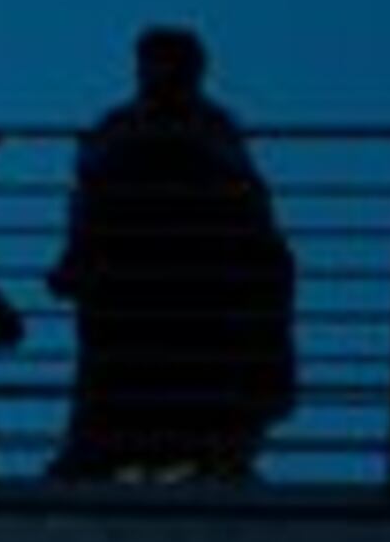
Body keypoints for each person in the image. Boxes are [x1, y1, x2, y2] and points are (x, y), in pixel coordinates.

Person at [45, 26, 296, 482]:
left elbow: (250, 217)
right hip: (136, 295)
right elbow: (90, 200)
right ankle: (111, 453)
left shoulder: (205, 131)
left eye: (167, 62)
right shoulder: (126, 129)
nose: (157, 72)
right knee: (128, 390)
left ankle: (206, 454)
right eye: (152, 61)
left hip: (189, 294)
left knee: (182, 390)